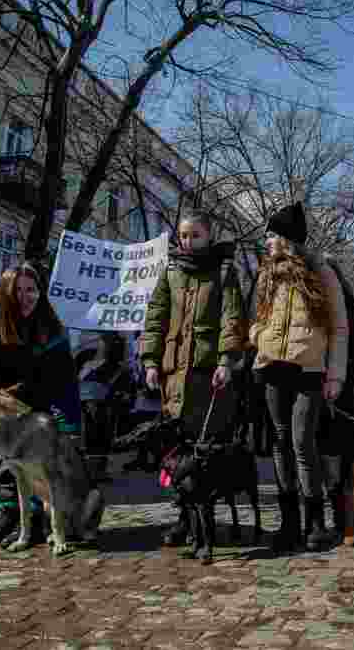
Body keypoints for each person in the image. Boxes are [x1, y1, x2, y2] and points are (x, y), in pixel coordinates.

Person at [140, 209, 247, 547]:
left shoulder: (224, 270)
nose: (188, 241)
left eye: (195, 235)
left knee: (204, 452)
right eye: (184, 235)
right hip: (173, 376)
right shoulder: (169, 271)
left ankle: (203, 521)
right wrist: (150, 361)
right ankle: (183, 517)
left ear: (208, 236)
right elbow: (155, 317)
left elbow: (233, 317)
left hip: (207, 376)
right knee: (176, 452)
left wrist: (226, 360)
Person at [249, 201, 349, 552]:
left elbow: (339, 326)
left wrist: (335, 375)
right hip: (272, 366)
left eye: (272, 234)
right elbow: (258, 314)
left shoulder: (321, 272)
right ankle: (289, 522)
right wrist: (258, 337)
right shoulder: (267, 272)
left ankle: (316, 522)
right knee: (279, 442)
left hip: (308, 369)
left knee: (302, 442)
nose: (267, 240)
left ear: (289, 239)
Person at [0, 262, 80, 547]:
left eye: (31, 289)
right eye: (17, 290)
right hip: (3, 399)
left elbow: (65, 378)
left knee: (38, 463)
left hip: (39, 399)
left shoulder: (52, 326)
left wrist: (70, 422)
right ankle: (9, 516)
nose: (25, 296)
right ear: (5, 293)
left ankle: (44, 521)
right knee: (9, 461)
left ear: (40, 292)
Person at [78, 332, 132, 483]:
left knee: (98, 438)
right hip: (95, 403)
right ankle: (95, 472)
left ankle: (95, 472)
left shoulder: (88, 362)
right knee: (97, 438)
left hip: (94, 402)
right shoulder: (100, 364)